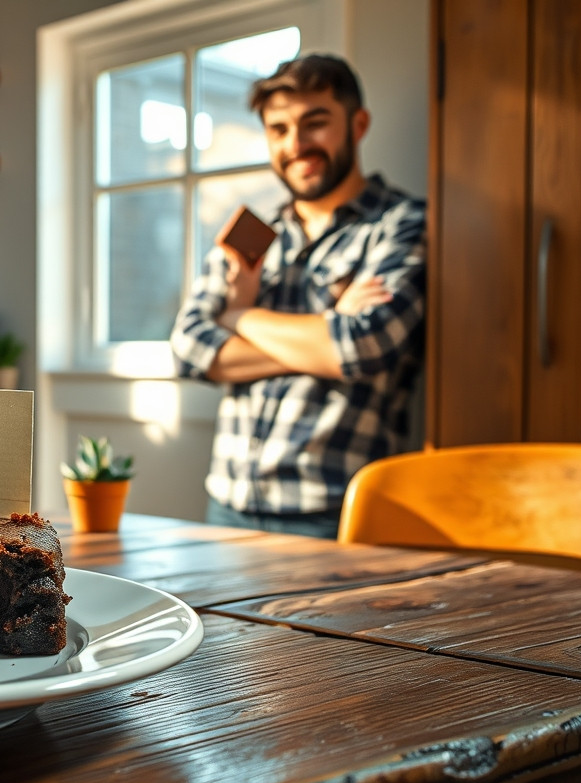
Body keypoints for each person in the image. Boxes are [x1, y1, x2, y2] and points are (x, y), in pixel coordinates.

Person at [169, 54, 426, 539]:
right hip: (227, 507)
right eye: (279, 129)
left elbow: (361, 345)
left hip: (334, 515)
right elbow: (188, 347)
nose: (296, 144)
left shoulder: (403, 224)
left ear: (358, 123)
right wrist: (326, 328)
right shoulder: (253, 233)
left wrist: (239, 314)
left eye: (315, 123)